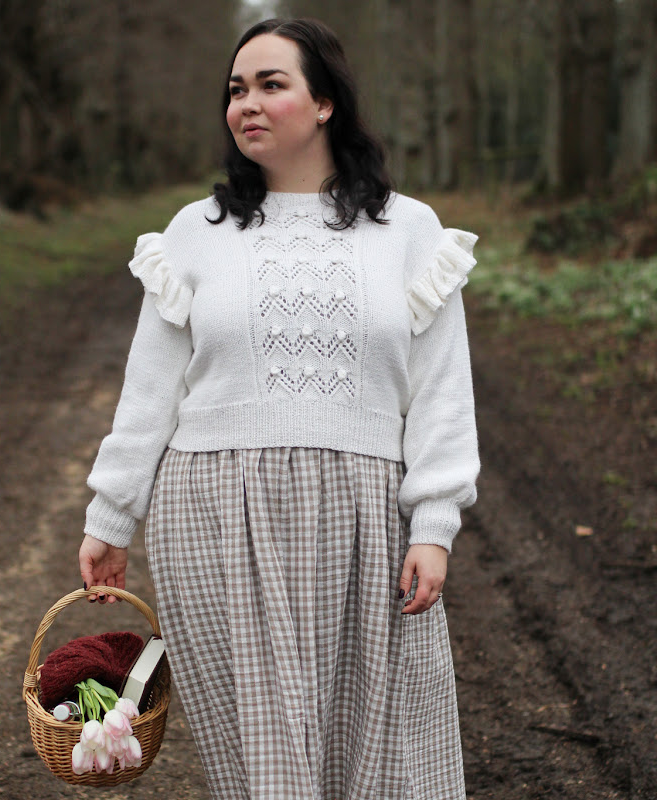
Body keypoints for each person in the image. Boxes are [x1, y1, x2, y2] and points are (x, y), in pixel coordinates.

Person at [78, 16, 480, 800]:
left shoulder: (408, 230)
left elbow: (442, 390)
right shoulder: (195, 233)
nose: (247, 104)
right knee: (262, 758)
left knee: (380, 740)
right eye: (236, 90)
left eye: (271, 85)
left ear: (325, 102)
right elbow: (149, 389)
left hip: (363, 516)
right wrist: (111, 514)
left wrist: (434, 525)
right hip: (213, 512)